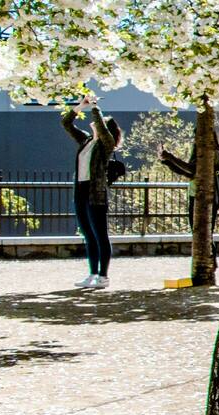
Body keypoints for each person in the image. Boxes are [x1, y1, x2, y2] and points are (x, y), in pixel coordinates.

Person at [61, 98, 121, 289]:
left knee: (100, 234)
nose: (93, 122)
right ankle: (92, 273)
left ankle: (103, 276)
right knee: (88, 234)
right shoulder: (86, 140)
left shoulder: (105, 145)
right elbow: (66, 123)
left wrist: (96, 108)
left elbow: (103, 131)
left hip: (95, 192)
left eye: (98, 122)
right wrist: (81, 106)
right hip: (80, 189)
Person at [158, 148, 219, 227]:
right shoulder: (215, 151)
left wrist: (170, 158)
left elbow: (191, 170)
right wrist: (168, 161)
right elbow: (188, 171)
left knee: (199, 229)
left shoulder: (208, 151)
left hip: (202, 196)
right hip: (203, 195)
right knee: (203, 228)